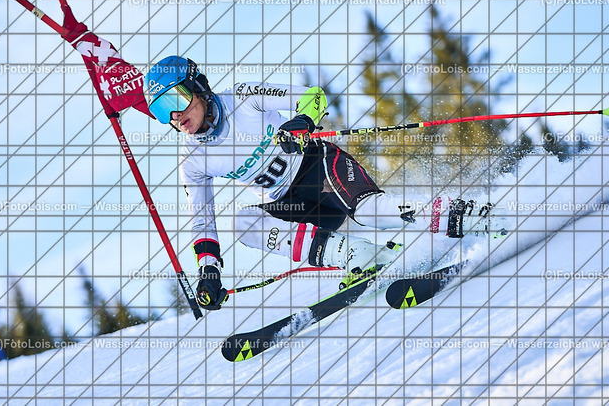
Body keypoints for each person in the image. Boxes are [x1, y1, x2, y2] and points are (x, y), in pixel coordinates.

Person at [144, 56, 505, 310]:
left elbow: (313, 96)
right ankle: (361, 257)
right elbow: (202, 220)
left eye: (176, 99)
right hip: (293, 204)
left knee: (372, 212)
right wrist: (208, 270)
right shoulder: (193, 162)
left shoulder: (243, 97)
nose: (175, 116)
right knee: (244, 223)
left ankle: (466, 214)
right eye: (161, 110)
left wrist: (302, 122)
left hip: (319, 167)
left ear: (199, 87)